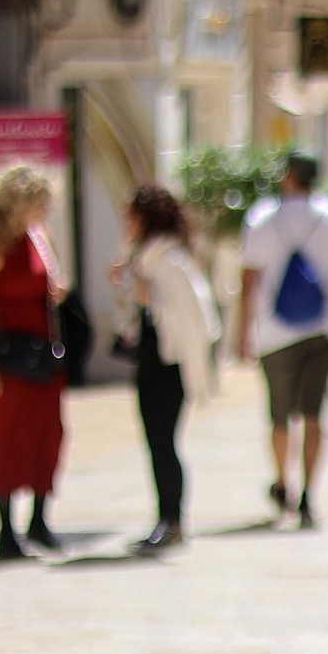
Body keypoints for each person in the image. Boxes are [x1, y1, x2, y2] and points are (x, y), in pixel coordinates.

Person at [238, 152, 328, 527]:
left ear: (289, 176)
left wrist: (243, 332)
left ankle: (283, 483)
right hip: (325, 330)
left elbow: (249, 282)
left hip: (273, 333)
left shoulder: (263, 217)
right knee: (315, 414)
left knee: (279, 415)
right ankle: (310, 493)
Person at [110, 184, 222, 551]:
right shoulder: (142, 257)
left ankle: (172, 520)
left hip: (168, 364)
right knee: (155, 443)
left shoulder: (171, 261)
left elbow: (197, 317)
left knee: (164, 442)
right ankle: (165, 518)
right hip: (148, 361)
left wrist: (150, 298)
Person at [0, 166, 69, 560]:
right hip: (7, 358)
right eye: (40, 202)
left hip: (43, 354)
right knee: (8, 439)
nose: (46, 210)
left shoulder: (41, 236)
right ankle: (6, 532)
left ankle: (39, 522)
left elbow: (54, 283)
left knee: (50, 434)